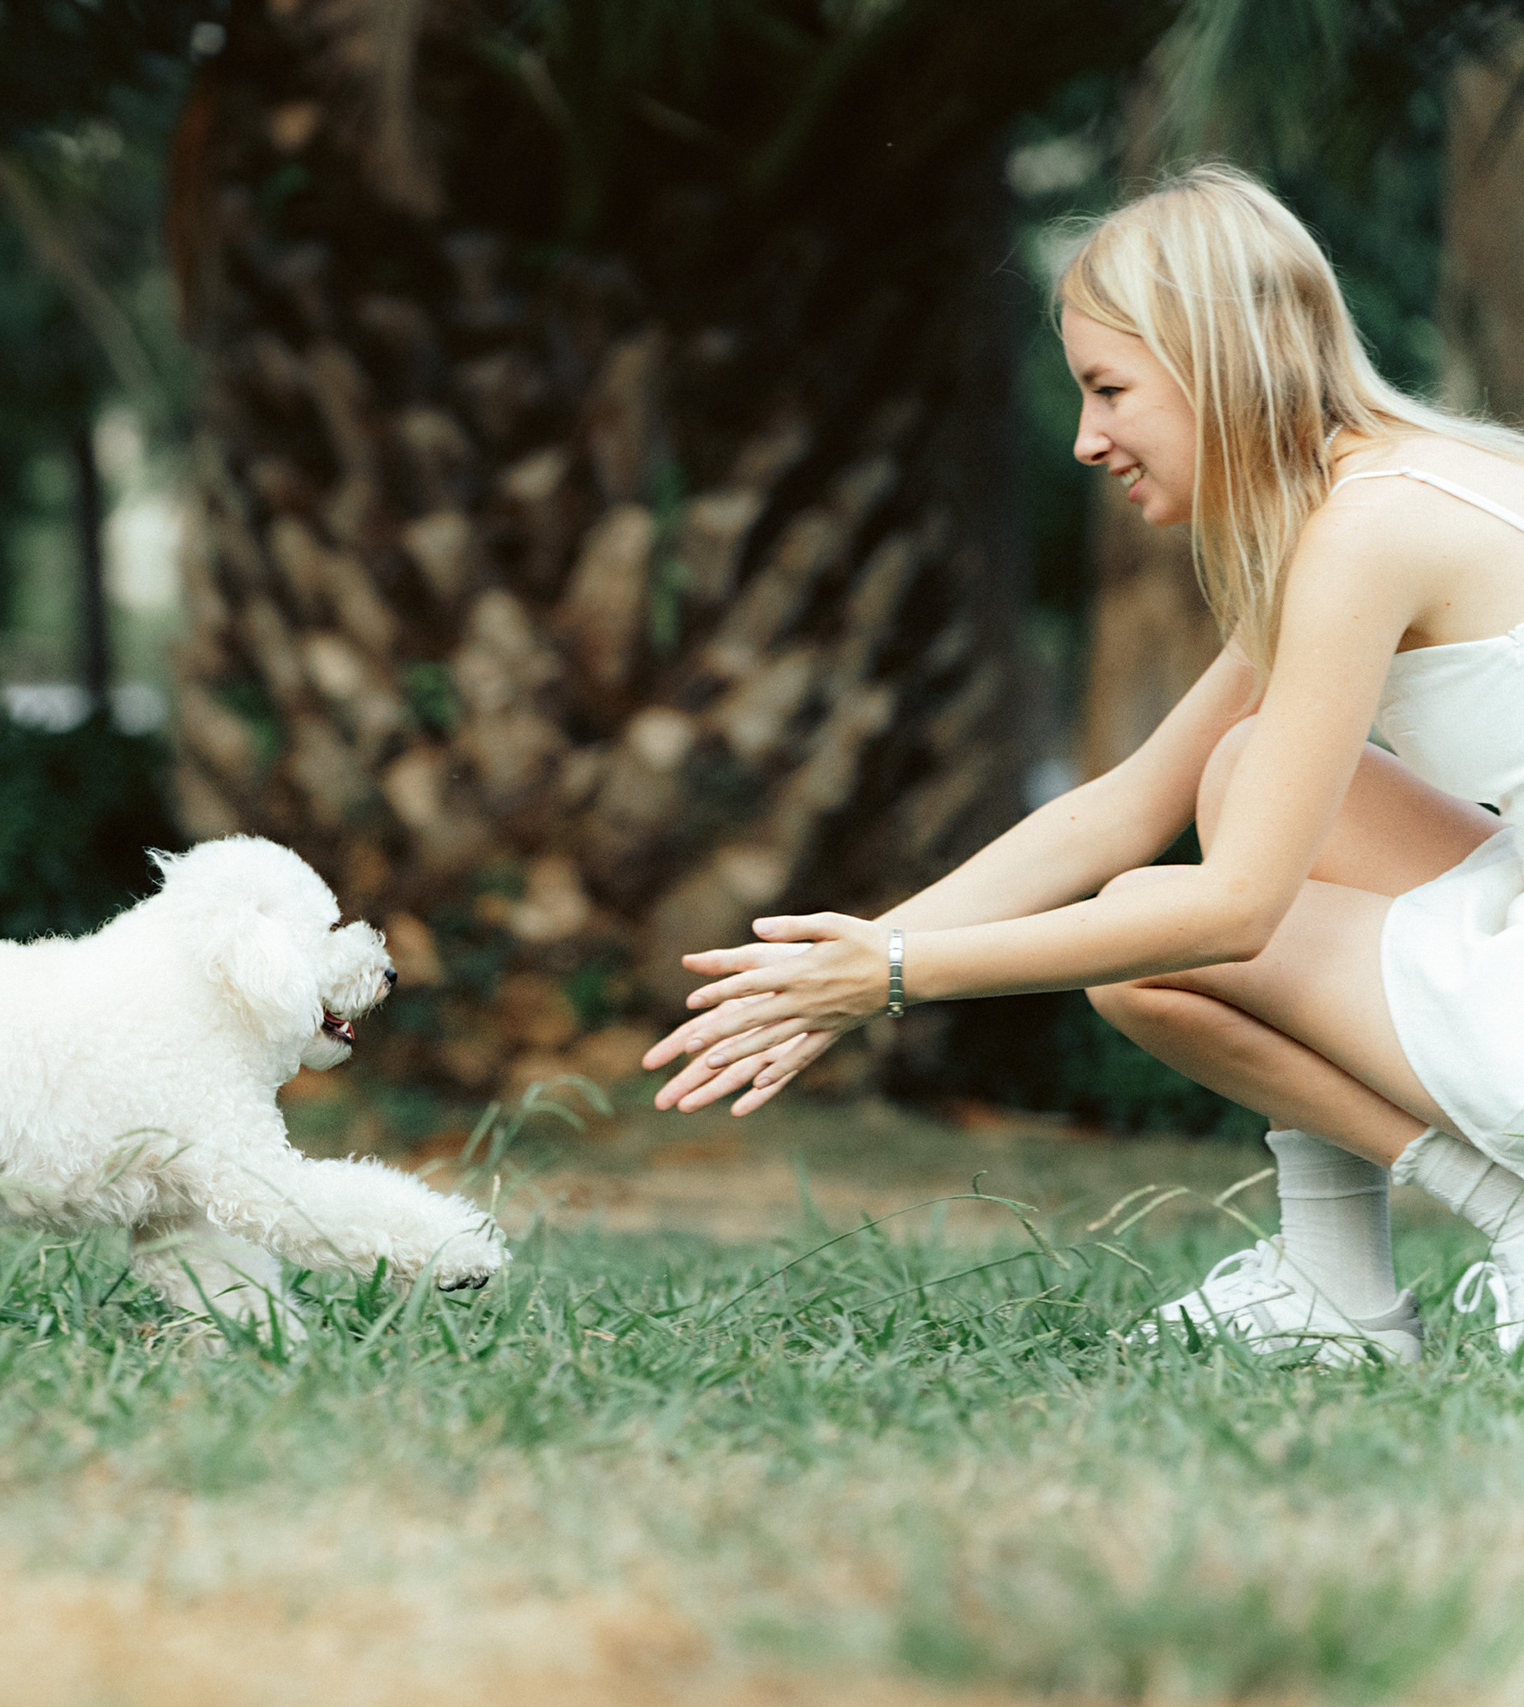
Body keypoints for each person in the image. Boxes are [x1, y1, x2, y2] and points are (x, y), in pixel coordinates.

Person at [641, 162, 1524, 1365]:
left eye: (1110, 389)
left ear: (1219, 364)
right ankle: (1332, 1293)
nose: (1083, 438)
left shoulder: (1367, 535)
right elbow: (1117, 807)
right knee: (1239, 769)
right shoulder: (1383, 493)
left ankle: (1507, 1219)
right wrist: (842, 965)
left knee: (1156, 945)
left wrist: (897, 974)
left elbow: (1231, 910)